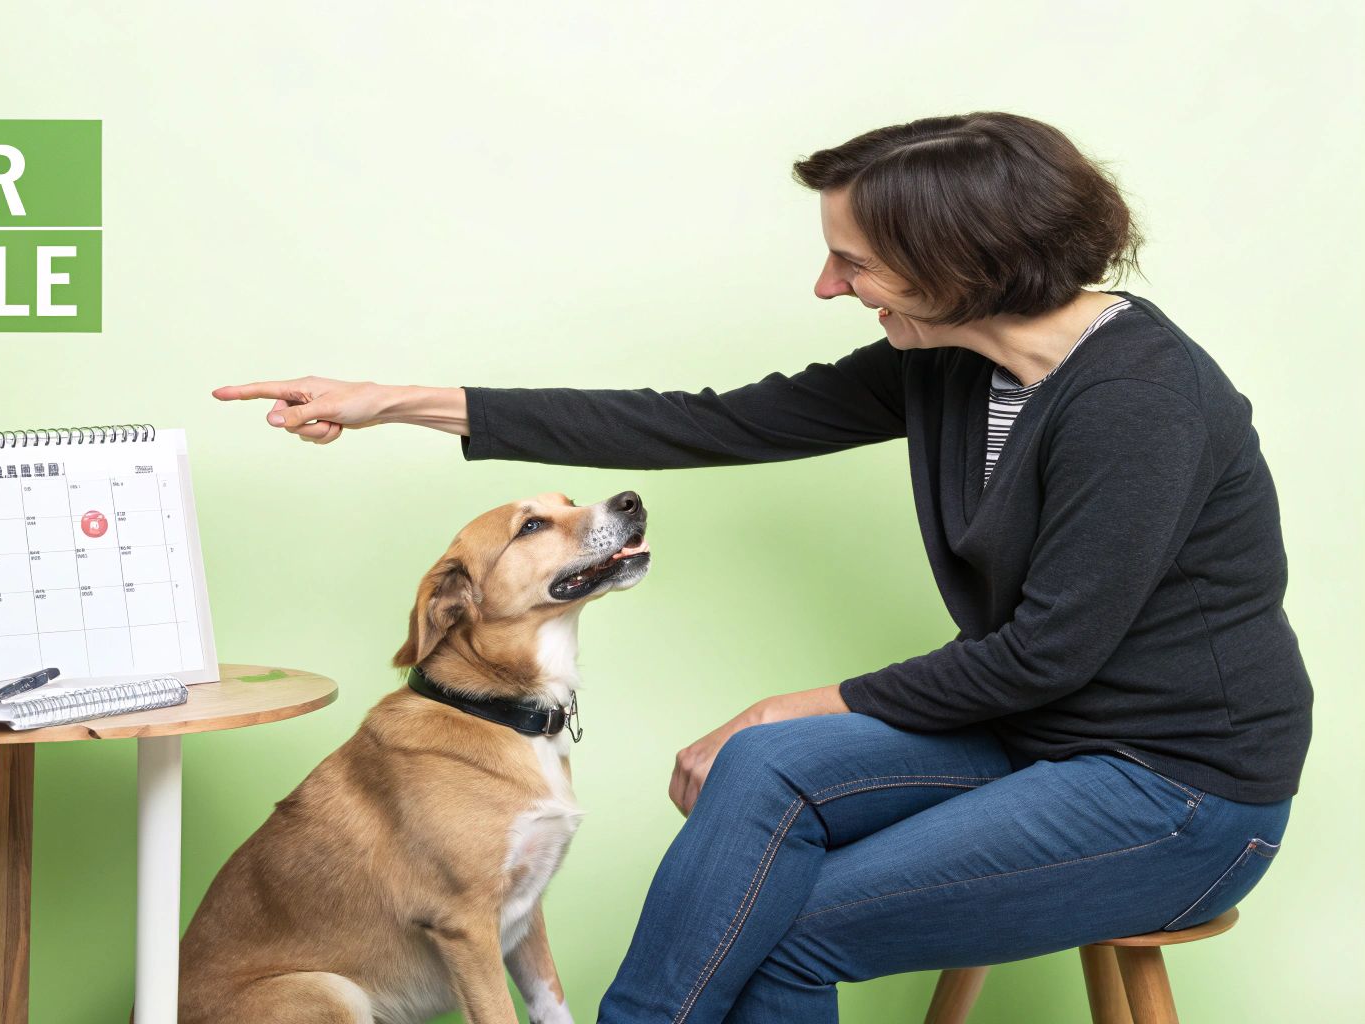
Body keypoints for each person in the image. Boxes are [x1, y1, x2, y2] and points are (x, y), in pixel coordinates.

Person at [211, 111, 1312, 1024]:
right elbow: (710, 422)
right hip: (1037, 744)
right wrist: (392, 402)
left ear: (962, 266)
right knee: (761, 773)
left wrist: (778, 704)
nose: (829, 286)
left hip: (1172, 793)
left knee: (780, 928)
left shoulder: (1138, 402)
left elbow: (1044, 653)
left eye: (855, 261)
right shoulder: (948, 363)